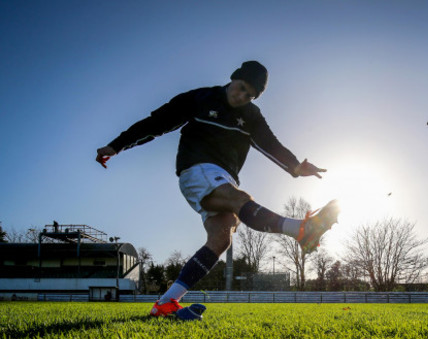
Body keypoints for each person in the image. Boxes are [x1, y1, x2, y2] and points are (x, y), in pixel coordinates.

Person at [96, 61, 339, 320]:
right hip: (196, 169)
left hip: (224, 178)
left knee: (222, 237)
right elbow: (157, 123)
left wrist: (295, 167)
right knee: (240, 200)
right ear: (234, 78)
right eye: (242, 88)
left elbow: (270, 144)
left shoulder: (251, 115)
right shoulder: (201, 98)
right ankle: (300, 230)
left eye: (250, 95)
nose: (242, 97)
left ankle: (166, 304)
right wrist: (117, 145)